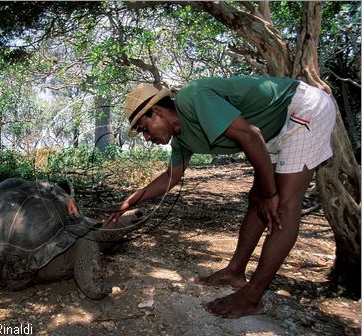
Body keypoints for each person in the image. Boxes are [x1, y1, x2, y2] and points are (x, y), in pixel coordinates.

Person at [104, 76, 336, 318]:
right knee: (258, 200)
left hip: (302, 108)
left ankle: (251, 297)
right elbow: (172, 176)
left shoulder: (192, 98)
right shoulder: (182, 139)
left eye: (143, 129)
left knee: (284, 205)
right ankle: (235, 271)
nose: (147, 139)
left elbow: (250, 135)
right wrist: (130, 201)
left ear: (156, 112)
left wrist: (271, 193)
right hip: (274, 130)